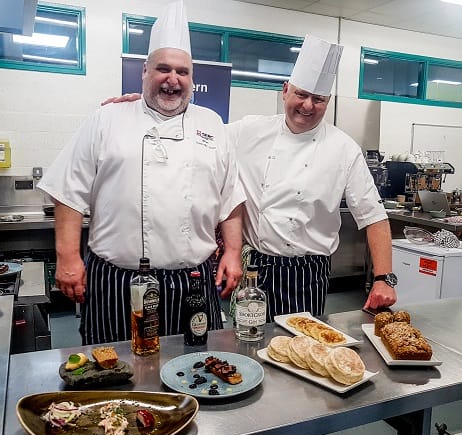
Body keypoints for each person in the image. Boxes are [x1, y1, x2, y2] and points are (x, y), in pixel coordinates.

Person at [103, 34, 396, 321]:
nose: (307, 105)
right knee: (246, 345)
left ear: (327, 102)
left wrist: (383, 278)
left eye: (318, 99)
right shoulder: (249, 131)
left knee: (302, 352)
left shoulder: (344, 148)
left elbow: (373, 216)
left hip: (308, 271)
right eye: (301, 94)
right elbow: (193, 129)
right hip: (255, 264)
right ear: (285, 91)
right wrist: (145, 107)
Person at [38, 1, 245, 345]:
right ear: (144, 72)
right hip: (117, 281)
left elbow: (231, 199)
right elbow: (67, 190)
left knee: (196, 368)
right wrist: (68, 257)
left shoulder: (212, 125)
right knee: (115, 373)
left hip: (192, 279)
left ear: (192, 78)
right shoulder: (107, 119)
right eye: (163, 69)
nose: (172, 79)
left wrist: (233, 252)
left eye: (182, 71)